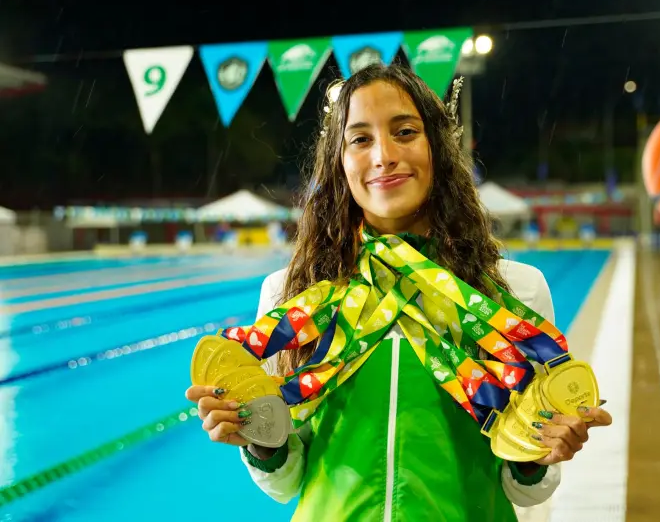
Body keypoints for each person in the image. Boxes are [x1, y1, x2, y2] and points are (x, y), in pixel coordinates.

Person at [185, 64, 612, 521]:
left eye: (405, 132)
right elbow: (287, 481)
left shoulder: (510, 293)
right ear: (339, 161)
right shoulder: (291, 296)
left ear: (438, 150)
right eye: (360, 139)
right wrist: (255, 437)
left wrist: (539, 445)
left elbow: (527, 492)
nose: (383, 156)